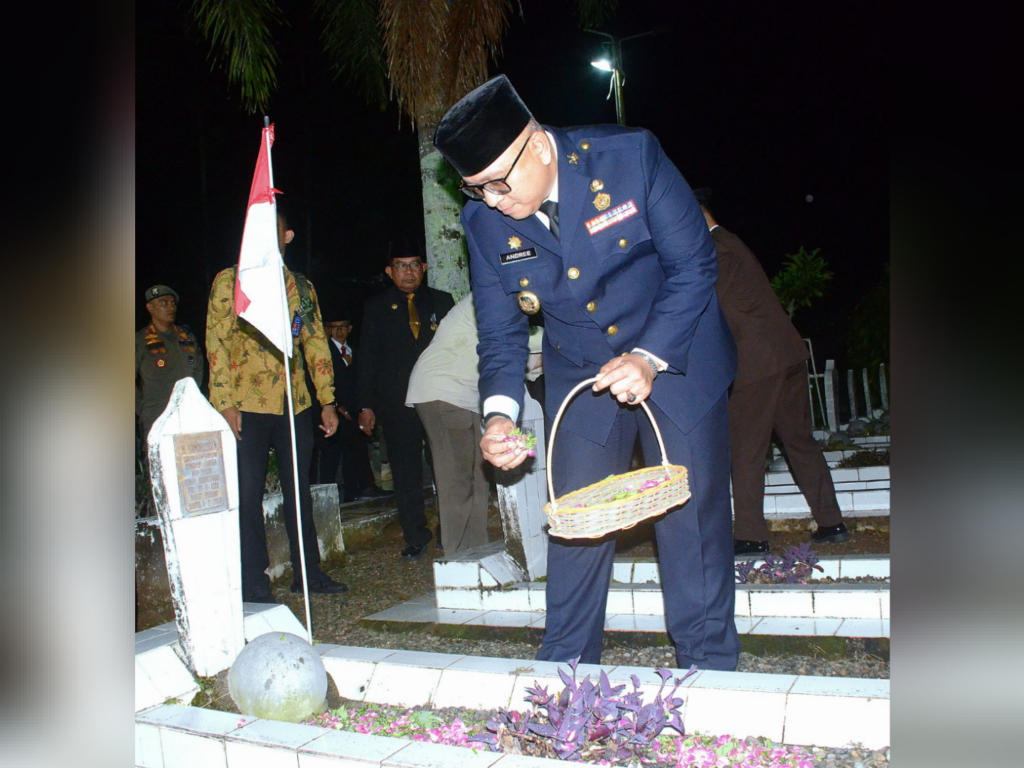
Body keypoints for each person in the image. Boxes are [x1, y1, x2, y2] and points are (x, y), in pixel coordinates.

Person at [434, 76, 739, 671]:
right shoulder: (485, 223)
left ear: (540, 146)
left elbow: (695, 265)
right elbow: (500, 334)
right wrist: (499, 416)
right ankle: (565, 665)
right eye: (476, 190)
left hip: (677, 349)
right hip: (581, 369)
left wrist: (648, 357)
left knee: (690, 514)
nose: (493, 201)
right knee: (575, 517)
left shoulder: (629, 158)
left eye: (499, 182)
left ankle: (708, 666)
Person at [693, 188, 850, 555]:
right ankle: (831, 522)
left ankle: (750, 535)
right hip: (785, 355)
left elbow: (701, 301)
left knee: (746, 449)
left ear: (697, 215)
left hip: (758, 363)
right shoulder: (731, 244)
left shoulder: (718, 249)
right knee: (799, 441)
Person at [206, 212, 348, 602]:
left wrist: (327, 401)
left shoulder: (300, 286)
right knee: (247, 496)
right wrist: (224, 403)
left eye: (272, 230)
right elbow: (215, 344)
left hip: (295, 402)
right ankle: (254, 582)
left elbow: (316, 344)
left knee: (297, 491)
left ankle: (308, 574)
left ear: (287, 235)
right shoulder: (229, 281)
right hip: (246, 405)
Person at [356, 239, 455, 559]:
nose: (408, 271)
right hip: (396, 401)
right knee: (405, 470)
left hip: (439, 397)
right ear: (389, 271)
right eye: (401, 266)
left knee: (445, 465)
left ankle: (451, 528)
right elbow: (367, 358)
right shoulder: (376, 307)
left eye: (414, 264)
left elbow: (457, 348)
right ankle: (415, 534)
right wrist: (364, 404)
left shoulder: (442, 301)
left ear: (424, 268)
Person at [315, 311, 390, 502]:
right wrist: (337, 405)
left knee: (356, 450)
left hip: (355, 410)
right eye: (334, 327)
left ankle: (358, 490)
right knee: (331, 455)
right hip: (334, 410)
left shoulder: (355, 351)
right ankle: (325, 497)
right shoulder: (324, 352)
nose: (338, 331)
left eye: (342, 327)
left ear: (349, 329)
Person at [135, 285, 204, 441]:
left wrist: (192, 396)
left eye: (173, 303)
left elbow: (199, 370)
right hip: (156, 414)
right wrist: (145, 409)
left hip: (189, 412)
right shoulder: (140, 340)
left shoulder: (186, 337)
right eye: (163, 303)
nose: (170, 307)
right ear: (150, 308)